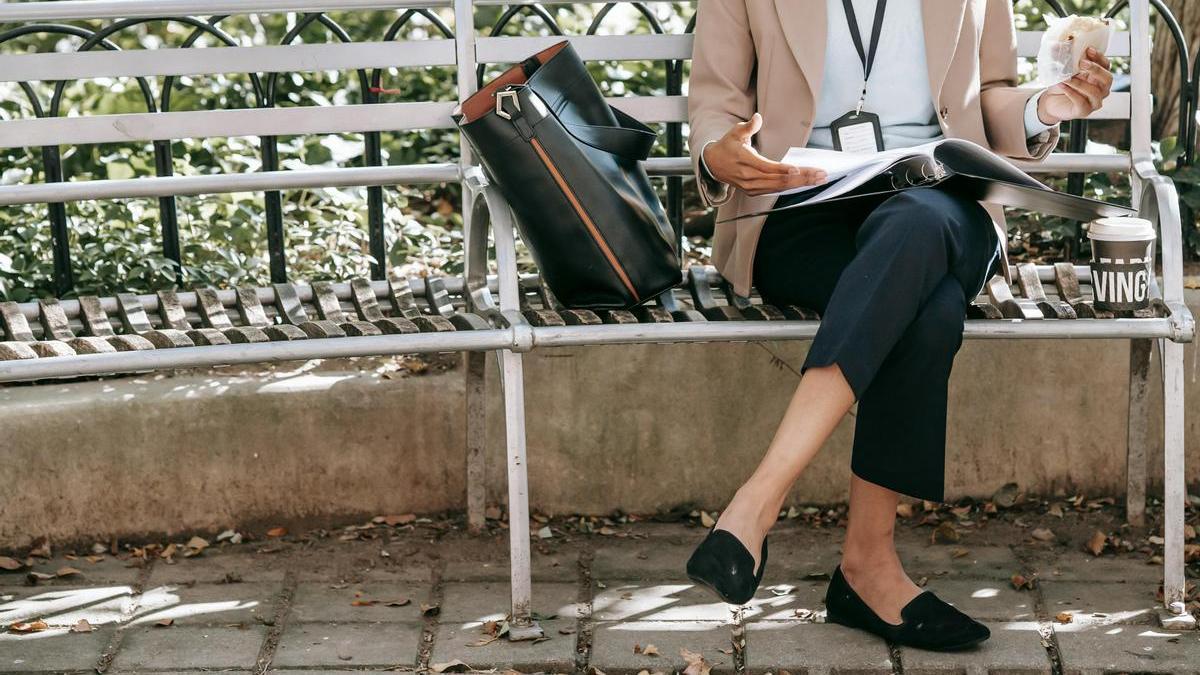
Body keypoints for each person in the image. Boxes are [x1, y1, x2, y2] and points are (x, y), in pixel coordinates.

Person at [684, 0, 1112, 651]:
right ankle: (866, 567)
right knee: (930, 306)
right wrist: (721, 155)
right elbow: (715, 100)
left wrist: (1043, 108)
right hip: (802, 204)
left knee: (914, 226)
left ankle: (756, 504)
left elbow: (990, 91)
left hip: (941, 201)